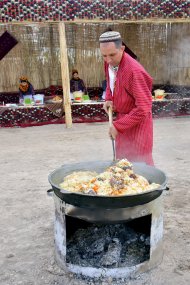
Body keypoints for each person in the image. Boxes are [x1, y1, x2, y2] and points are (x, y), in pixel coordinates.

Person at [99, 31, 154, 165]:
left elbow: (143, 108)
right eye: (104, 55)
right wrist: (108, 98)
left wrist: (117, 126)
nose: (108, 60)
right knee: (122, 162)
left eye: (112, 55)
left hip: (138, 125)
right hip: (121, 119)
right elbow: (109, 83)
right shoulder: (109, 63)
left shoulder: (134, 71)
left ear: (122, 48)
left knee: (140, 164)